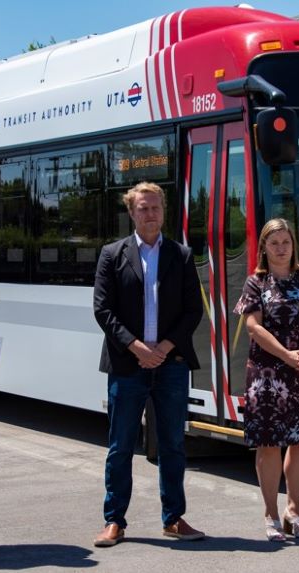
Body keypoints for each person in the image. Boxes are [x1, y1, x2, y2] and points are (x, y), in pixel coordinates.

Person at [92, 182, 204, 547]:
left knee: (172, 444)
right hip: (127, 365)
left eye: (155, 207)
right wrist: (137, 347)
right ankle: (114, 521)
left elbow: (193, 310)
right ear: (131, 212)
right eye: (143, 208)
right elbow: (103, 309)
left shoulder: (181, 255)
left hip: (171, 364)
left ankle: (173, 518)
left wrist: (165, 347)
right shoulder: (112, 254)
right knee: (120, 446)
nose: (150, 214)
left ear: (164, 211)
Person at [233, 218, 299, 541]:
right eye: (274, 243)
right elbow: (253, 327)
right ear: (263, 247)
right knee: (269, 443)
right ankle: (271, 515)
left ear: (293, 245)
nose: (281, 248)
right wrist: (287, 355)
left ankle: (294, 512)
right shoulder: (256, 282)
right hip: (268, 373)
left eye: (286, 242)